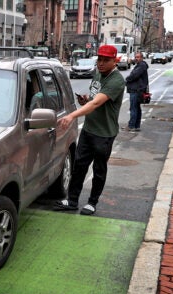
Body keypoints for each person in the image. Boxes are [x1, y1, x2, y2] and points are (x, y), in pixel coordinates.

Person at [53, 44, 126, 216]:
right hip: (89, 129)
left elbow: (97, 103)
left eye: (105, 60)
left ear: (114, 61)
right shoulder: (98, 73)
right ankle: (72, 200)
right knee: (79, 166)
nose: (100, 63)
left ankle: (92, 202)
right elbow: (92, 99)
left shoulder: (116, 81)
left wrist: (72, 116)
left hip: (104, 133)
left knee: (99, 170)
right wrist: (85, 100)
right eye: (99, 59)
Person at [125, 52, 149, 132]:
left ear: (142, 58)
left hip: (136, 90)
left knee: (133, 108)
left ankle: (131, 126)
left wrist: (127, 79)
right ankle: (136, 125)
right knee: (137, 108)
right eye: (136, 57)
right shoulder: (140, 65)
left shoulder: (141, 65)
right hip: (138, 89)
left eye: (138, 57)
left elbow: (134, 75)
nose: (136, 58)